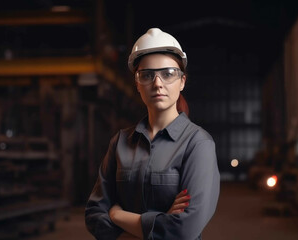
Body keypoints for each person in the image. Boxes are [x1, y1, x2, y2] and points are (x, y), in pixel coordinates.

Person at [85, 28, 220, 240]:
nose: (158, 84)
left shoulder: (198, 144)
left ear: (182, 81)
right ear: (137, 84)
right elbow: (94, 214)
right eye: (147, 75)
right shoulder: (120, 143)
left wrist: (117, 215)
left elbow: (184, 229)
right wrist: (156, 224)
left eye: (168, 74)